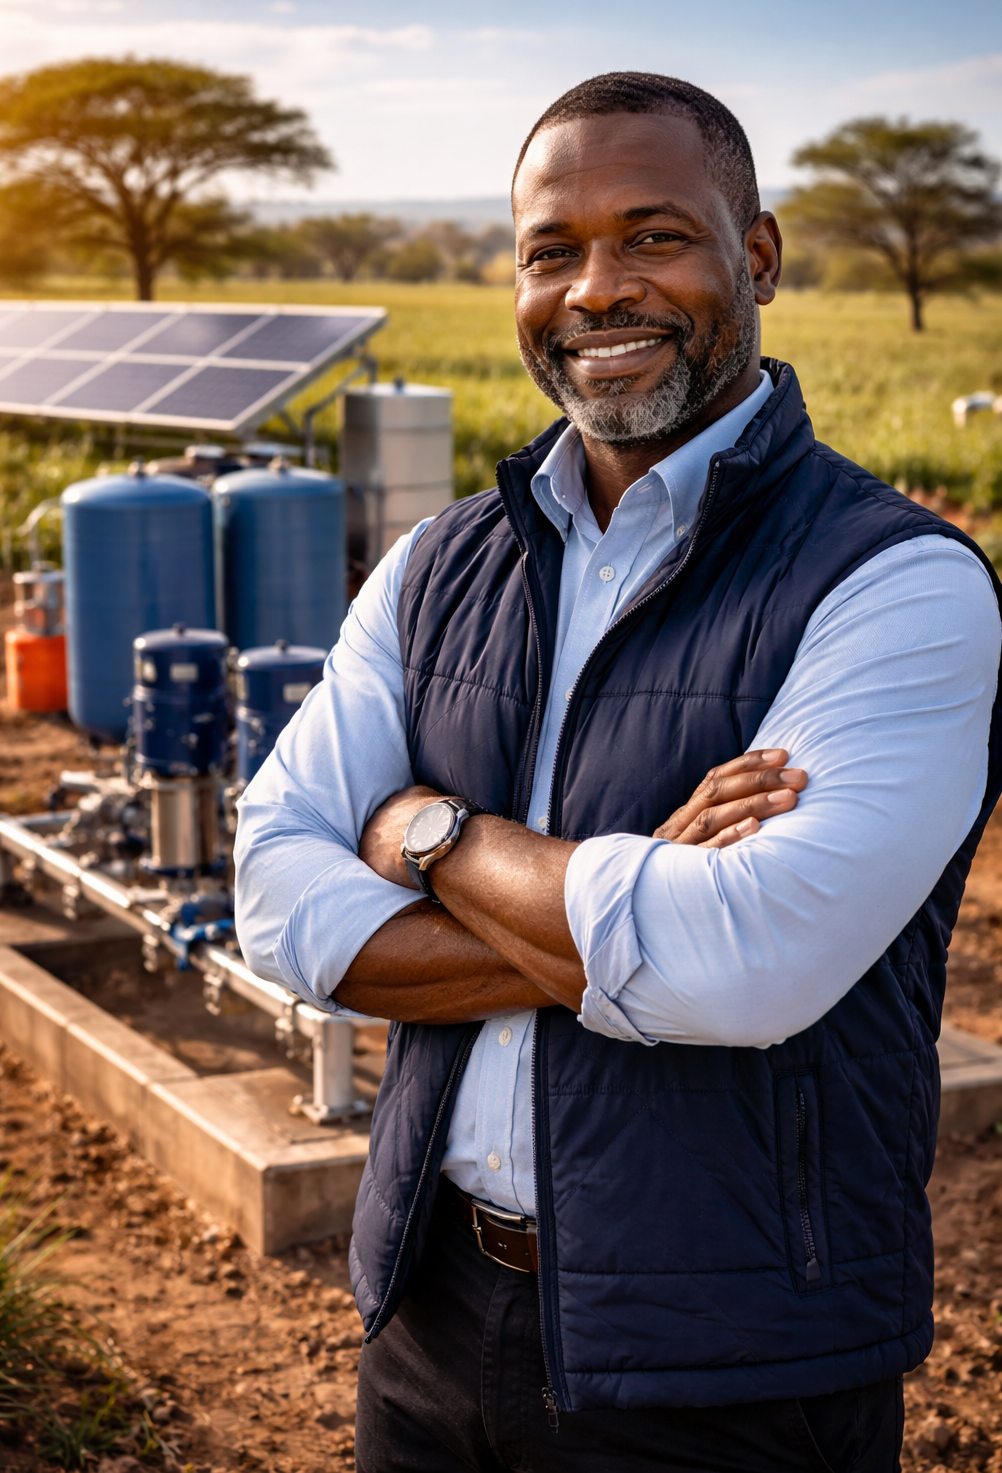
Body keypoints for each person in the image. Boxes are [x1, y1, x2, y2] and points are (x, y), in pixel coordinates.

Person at [234, 73, 1002, 1473]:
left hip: (735, 1366)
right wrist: (634, 895)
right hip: (428, 1318)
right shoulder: (434, 569)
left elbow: (742, 967)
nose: (596, 289)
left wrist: (430, 836)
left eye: (654, 236)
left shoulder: (897, 583)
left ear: (756, 256)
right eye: (553, 250)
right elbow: (276, 900)